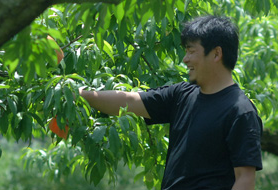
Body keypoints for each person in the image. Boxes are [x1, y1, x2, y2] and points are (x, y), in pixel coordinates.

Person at [79, 15, 263, 190]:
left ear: (216, 54)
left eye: (191, 51)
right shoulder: (182, 95)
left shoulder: (241, 112)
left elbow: (245, 179)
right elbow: (128, 101)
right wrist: (80, 95)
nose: (185, 59)